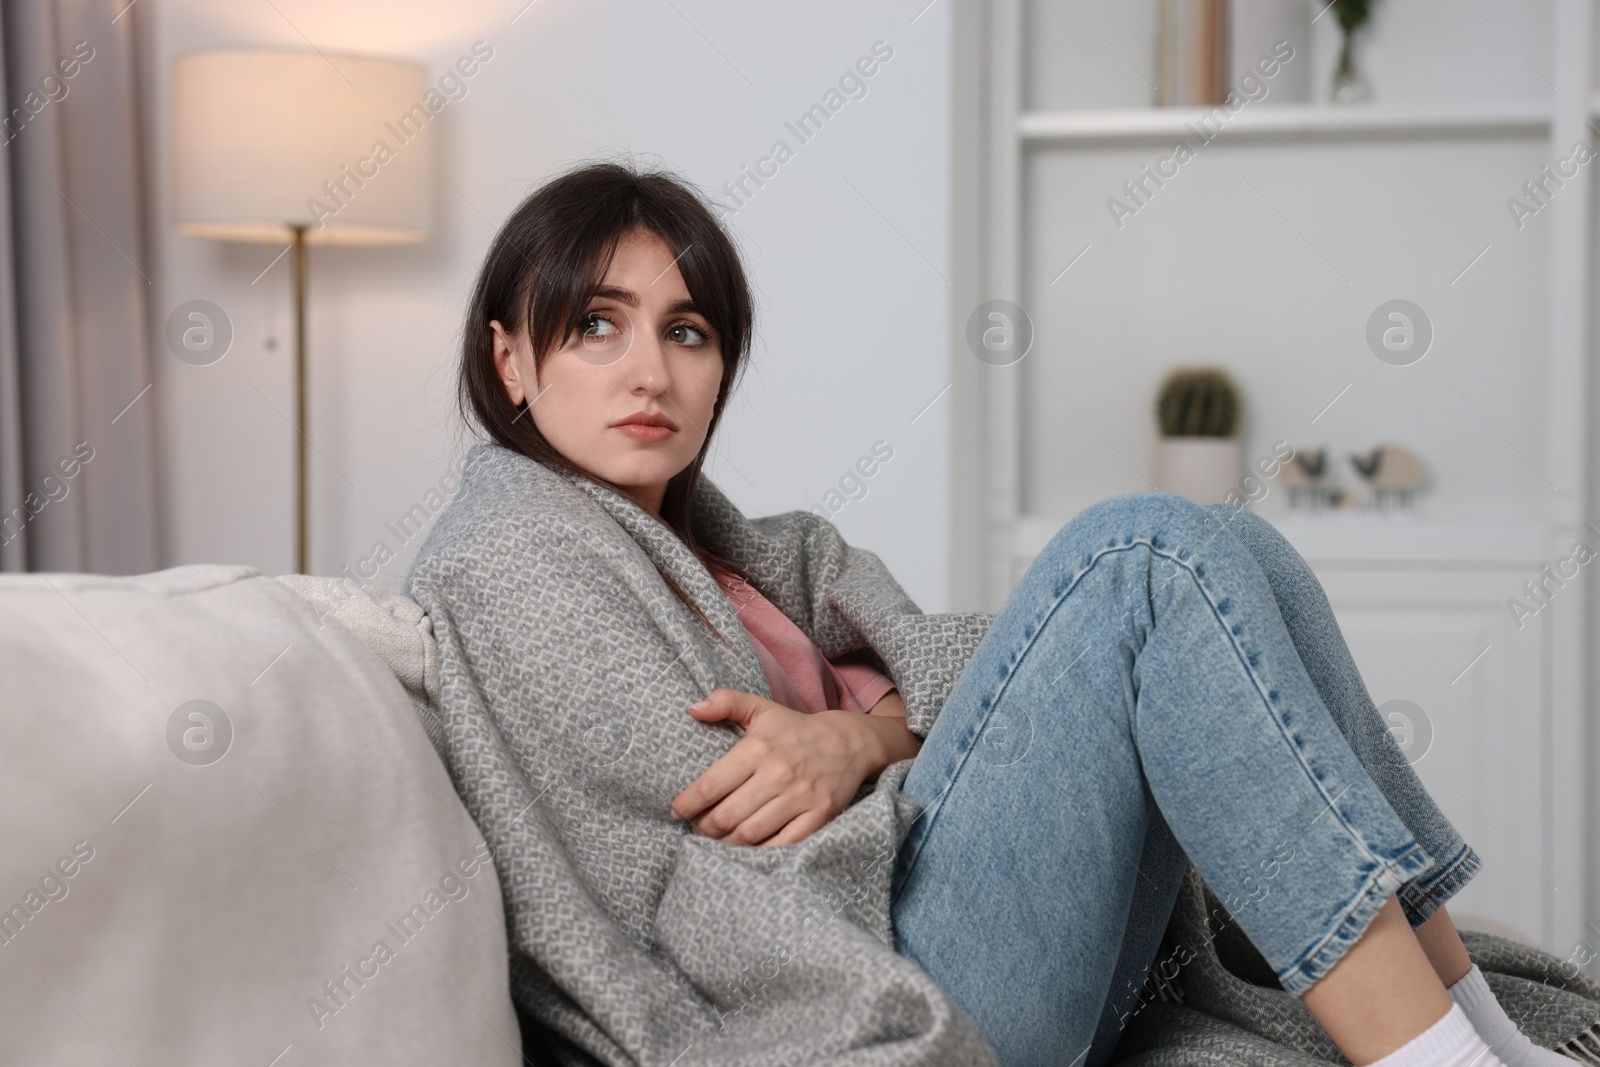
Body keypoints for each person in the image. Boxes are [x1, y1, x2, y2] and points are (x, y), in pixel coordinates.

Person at [426, 159, 1569, 1067]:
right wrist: (893, 732)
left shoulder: (759, 551)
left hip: (947, 931)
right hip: (863, 989)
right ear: (509, 359)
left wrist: (863, 737)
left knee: (1235, 542)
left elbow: (973, 676)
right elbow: (735, 826)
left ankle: (1475, 1026)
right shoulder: (512, 556)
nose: (650, 372)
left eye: (686, 331)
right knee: (1142, 551)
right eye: (594, 324)